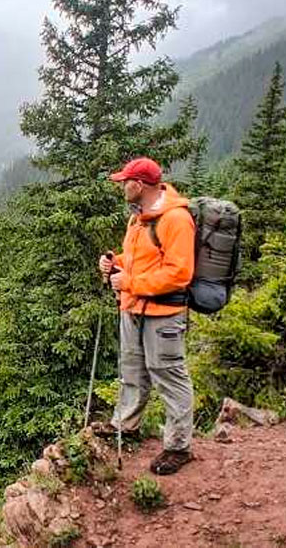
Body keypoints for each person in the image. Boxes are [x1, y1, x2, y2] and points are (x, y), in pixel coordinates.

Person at [97, 157, 196, 475]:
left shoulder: (176, 219)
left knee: (168, 374)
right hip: (133, 309)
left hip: (163, 314)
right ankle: (125, 427)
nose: (122, 187)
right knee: (132, 370)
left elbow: (179, 273)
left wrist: (129, 282)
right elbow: (141, 260)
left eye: (125, 182)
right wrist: (116, 263)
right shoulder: (137, 219)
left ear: (139, 185)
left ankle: (178, 446)